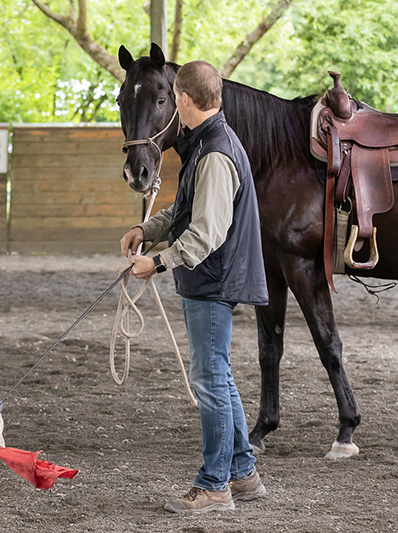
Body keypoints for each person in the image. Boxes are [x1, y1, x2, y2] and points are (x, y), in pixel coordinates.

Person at [120, 60, 269, 514]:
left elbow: (206, 232)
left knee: (208, 382)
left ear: (183, 100)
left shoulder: (216, 153)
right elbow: (187, 210)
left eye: (173, 100)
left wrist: (158, 263)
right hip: (210, 277)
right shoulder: (205, 144)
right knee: (218, 377)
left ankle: (214, 486)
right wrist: (148, 229)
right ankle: (243, 475)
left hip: (211, 280)